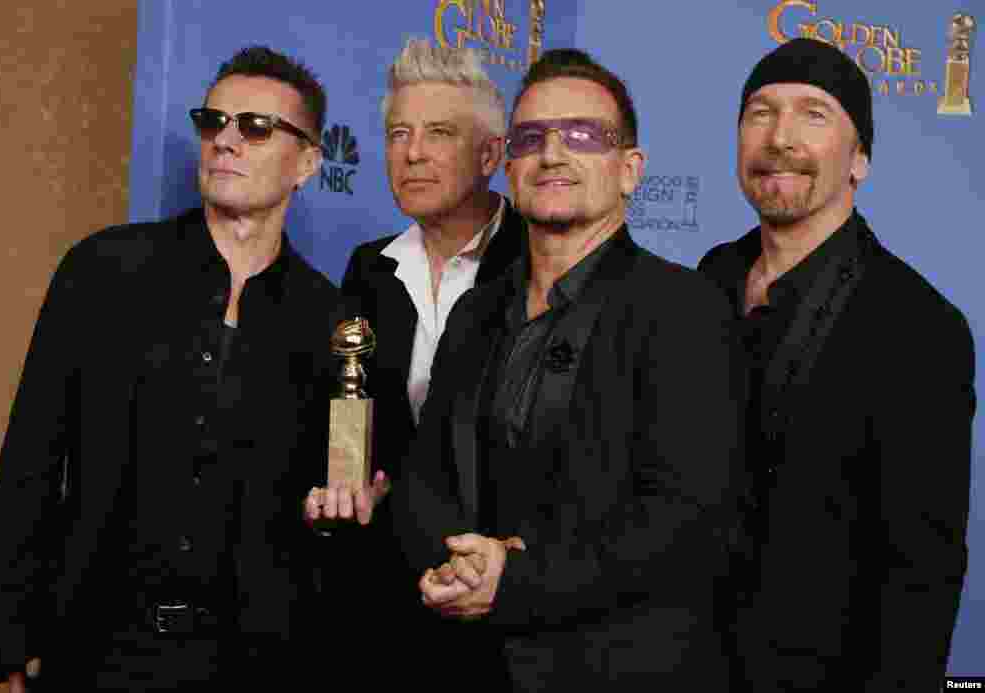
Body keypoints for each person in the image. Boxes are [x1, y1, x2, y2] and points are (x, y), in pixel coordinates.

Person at [0, 45, 345, 691]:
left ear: (308, 162)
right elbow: (32, 457)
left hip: (255, 661)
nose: (226, 140)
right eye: (214, 122)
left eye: (256, 127)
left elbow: (346, 486)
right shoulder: (104, 270)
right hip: (94, 648)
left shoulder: (333, 320)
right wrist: (10, 631)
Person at [394, 48, 748, 689]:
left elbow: (685, 519)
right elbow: (426, 477)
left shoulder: (686, 309)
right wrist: (453, 565)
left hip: (620, 668)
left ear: (629, 170)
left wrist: (516, 579)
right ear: (508, 166)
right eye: (531, 137)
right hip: (466, 663)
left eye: (582, 135)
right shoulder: (475, 312)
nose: (552, 154)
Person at [698, 37, 976, 691]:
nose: (780, 138)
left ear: (860, 160)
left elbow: (923, 573)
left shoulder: (918, 324)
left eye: (813, 114)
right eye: (760, 113)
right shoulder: (706, 280)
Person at [307, 37, 525, 687]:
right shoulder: (370, 268)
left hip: (502, 603)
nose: (413, 153)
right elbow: (353, 391)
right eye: (399, 133)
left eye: (438, 133)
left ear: (490, 154)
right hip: (385, 595)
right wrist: (348, 483)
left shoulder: (536, 262)